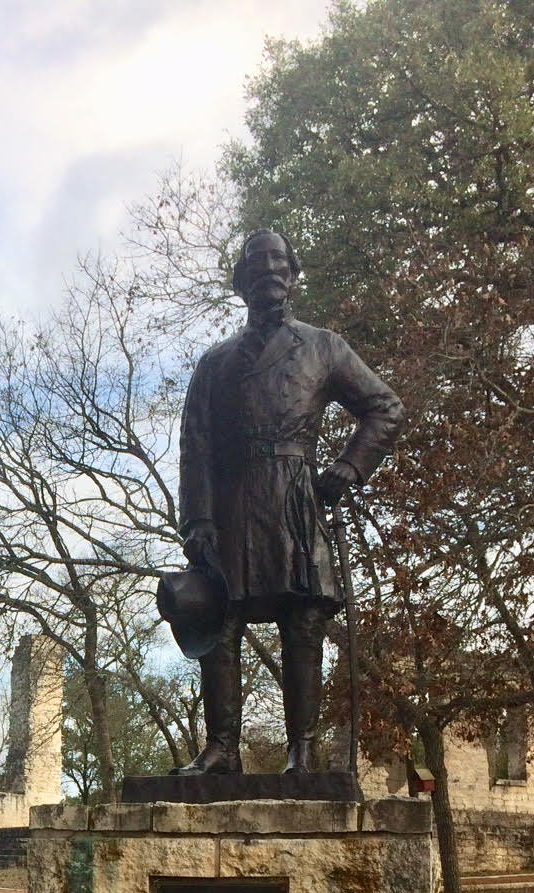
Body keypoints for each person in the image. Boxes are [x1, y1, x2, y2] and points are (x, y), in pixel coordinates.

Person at [174, 230, 404, 774]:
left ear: (294, 273)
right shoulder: (216, 363)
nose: (269, 270)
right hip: (230, 504)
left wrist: (349, 466)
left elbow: (385, 407)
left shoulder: (324, 346)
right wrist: (198, 520)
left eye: (278, 261)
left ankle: (303, 748)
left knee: (302, 620)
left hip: (294, 497)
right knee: (220, 619)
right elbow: (196, 445)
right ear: (241, 281)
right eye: (257, 263)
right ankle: (222, 748)